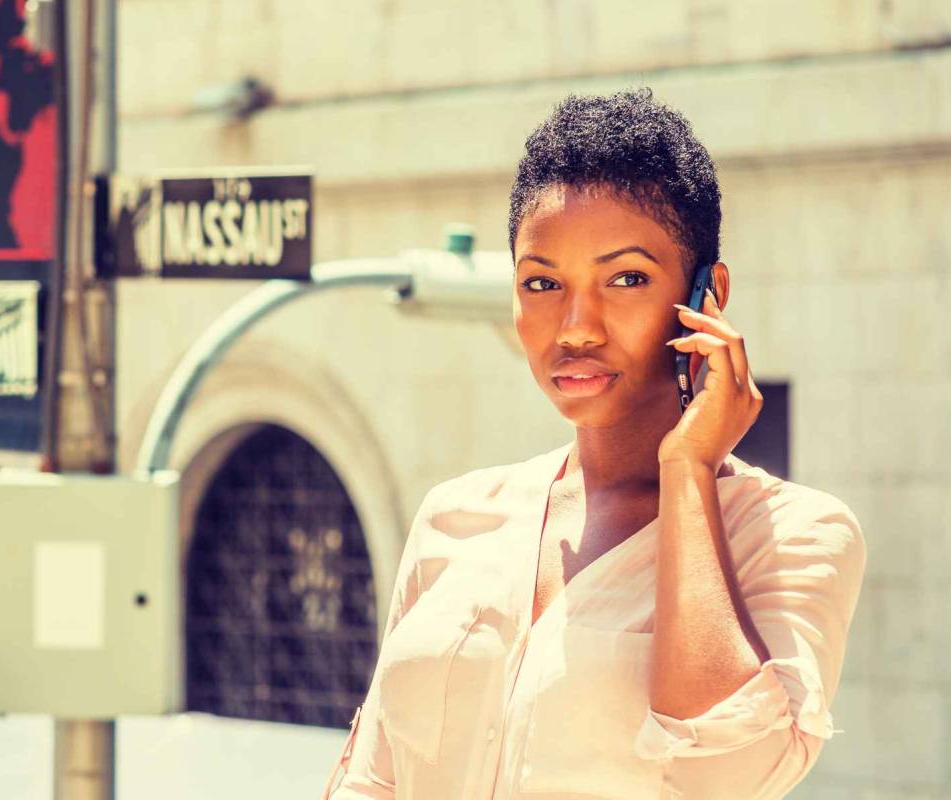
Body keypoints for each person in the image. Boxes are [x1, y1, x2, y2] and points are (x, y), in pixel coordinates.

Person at [324, 88, 866, 799]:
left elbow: (727, 770)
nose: (576, 326)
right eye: (543, 282)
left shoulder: (795, 534)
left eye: (626, 278)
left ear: (707, 297)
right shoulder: (454, 516)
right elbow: (371, 776)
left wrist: (687, 467)